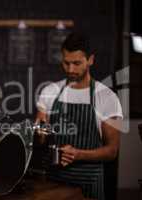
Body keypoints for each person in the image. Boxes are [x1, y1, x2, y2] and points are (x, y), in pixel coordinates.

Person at [35, 32, 123, 200]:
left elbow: (112, 151)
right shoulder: (50, 92)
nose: (71, 69)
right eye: (66, 63)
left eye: (77, 63)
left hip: (89, 183)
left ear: (90, 60)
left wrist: (78, 154)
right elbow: (41, 138)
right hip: (54, 183)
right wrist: (40, 133)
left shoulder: (106, 97)